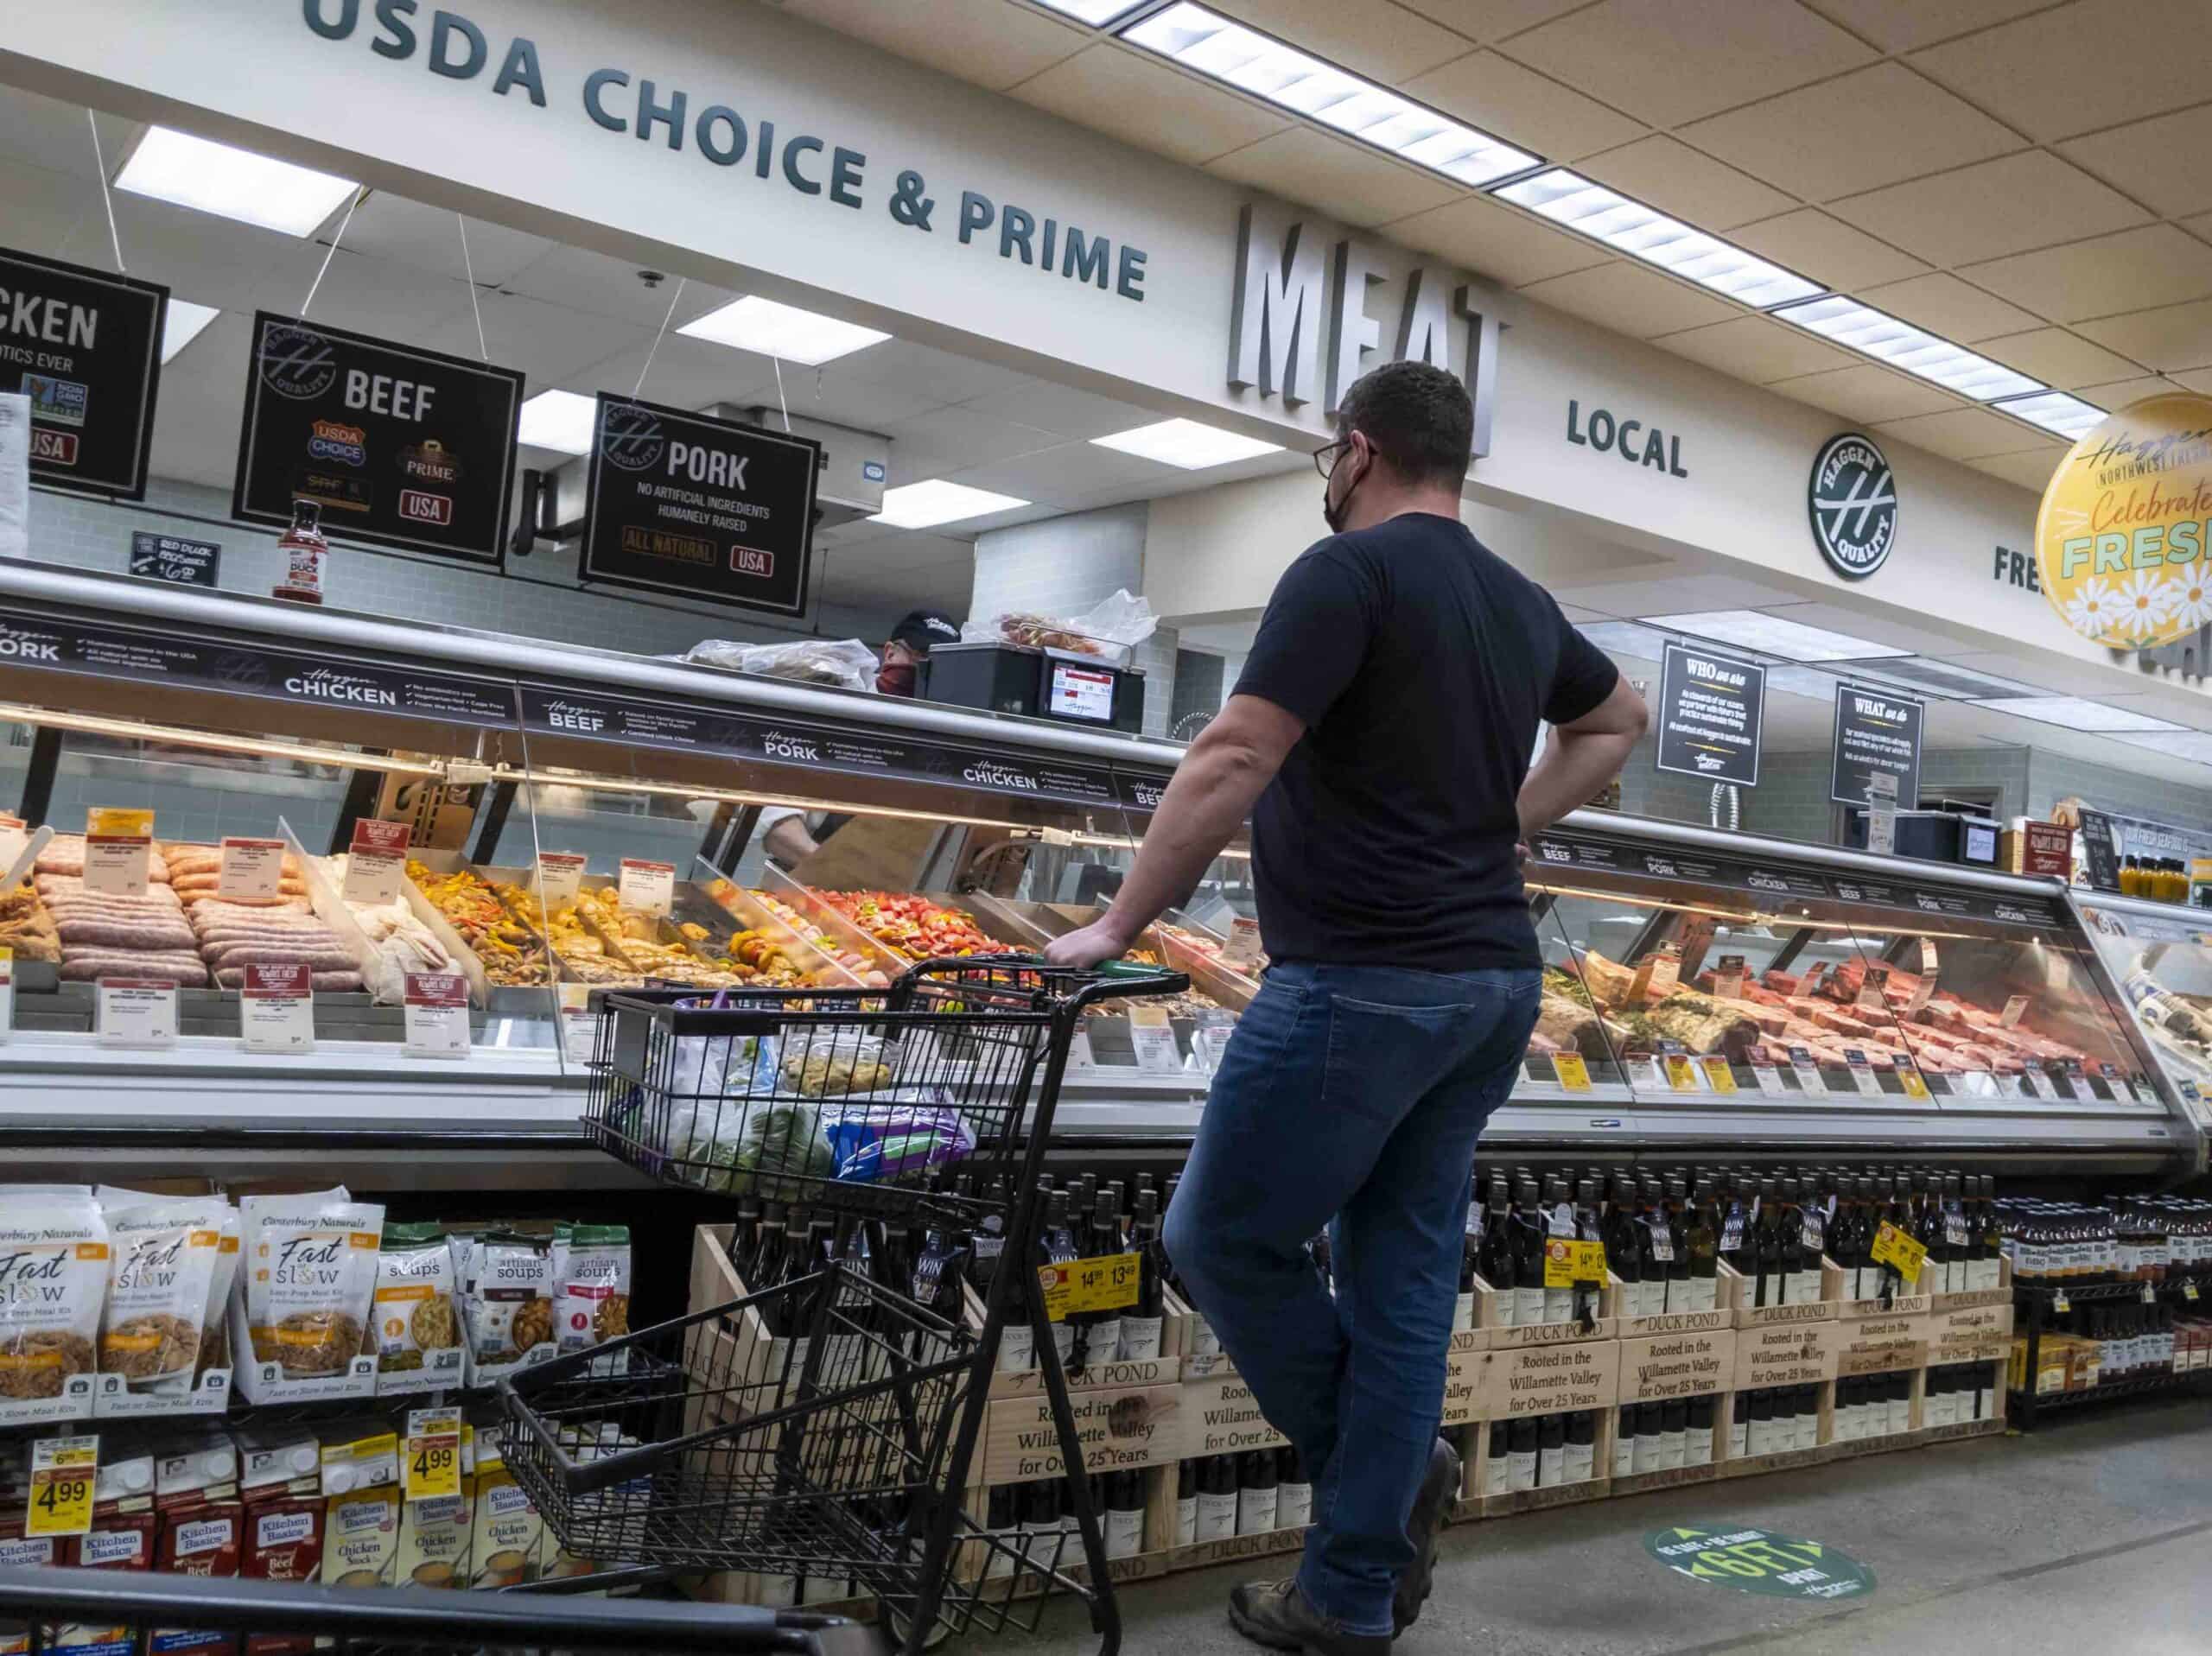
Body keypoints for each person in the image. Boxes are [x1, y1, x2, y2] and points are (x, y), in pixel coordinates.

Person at [1046, 359, 1646, 1655]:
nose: (1330, 473)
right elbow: (1618, 721)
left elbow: (1235, 754)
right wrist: (1501, 831)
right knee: (1402, 1280)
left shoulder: (1346, 574)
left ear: (1359, 452)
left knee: (1220, 1239)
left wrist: (1114, 923)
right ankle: (1353, 1588)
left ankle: (1379, 1486)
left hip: (1362, 984)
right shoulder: (1516, 596)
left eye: (1329, 454)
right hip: (1490, 986)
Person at [760, 606, 960, 866]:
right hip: (807, 887)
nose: (927, 671)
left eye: (940, 665)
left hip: (904, 899)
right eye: (919, 658)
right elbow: (779, 829)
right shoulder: (838, 710)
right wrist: (838, 876)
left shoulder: (951, 735)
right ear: (889, 652)